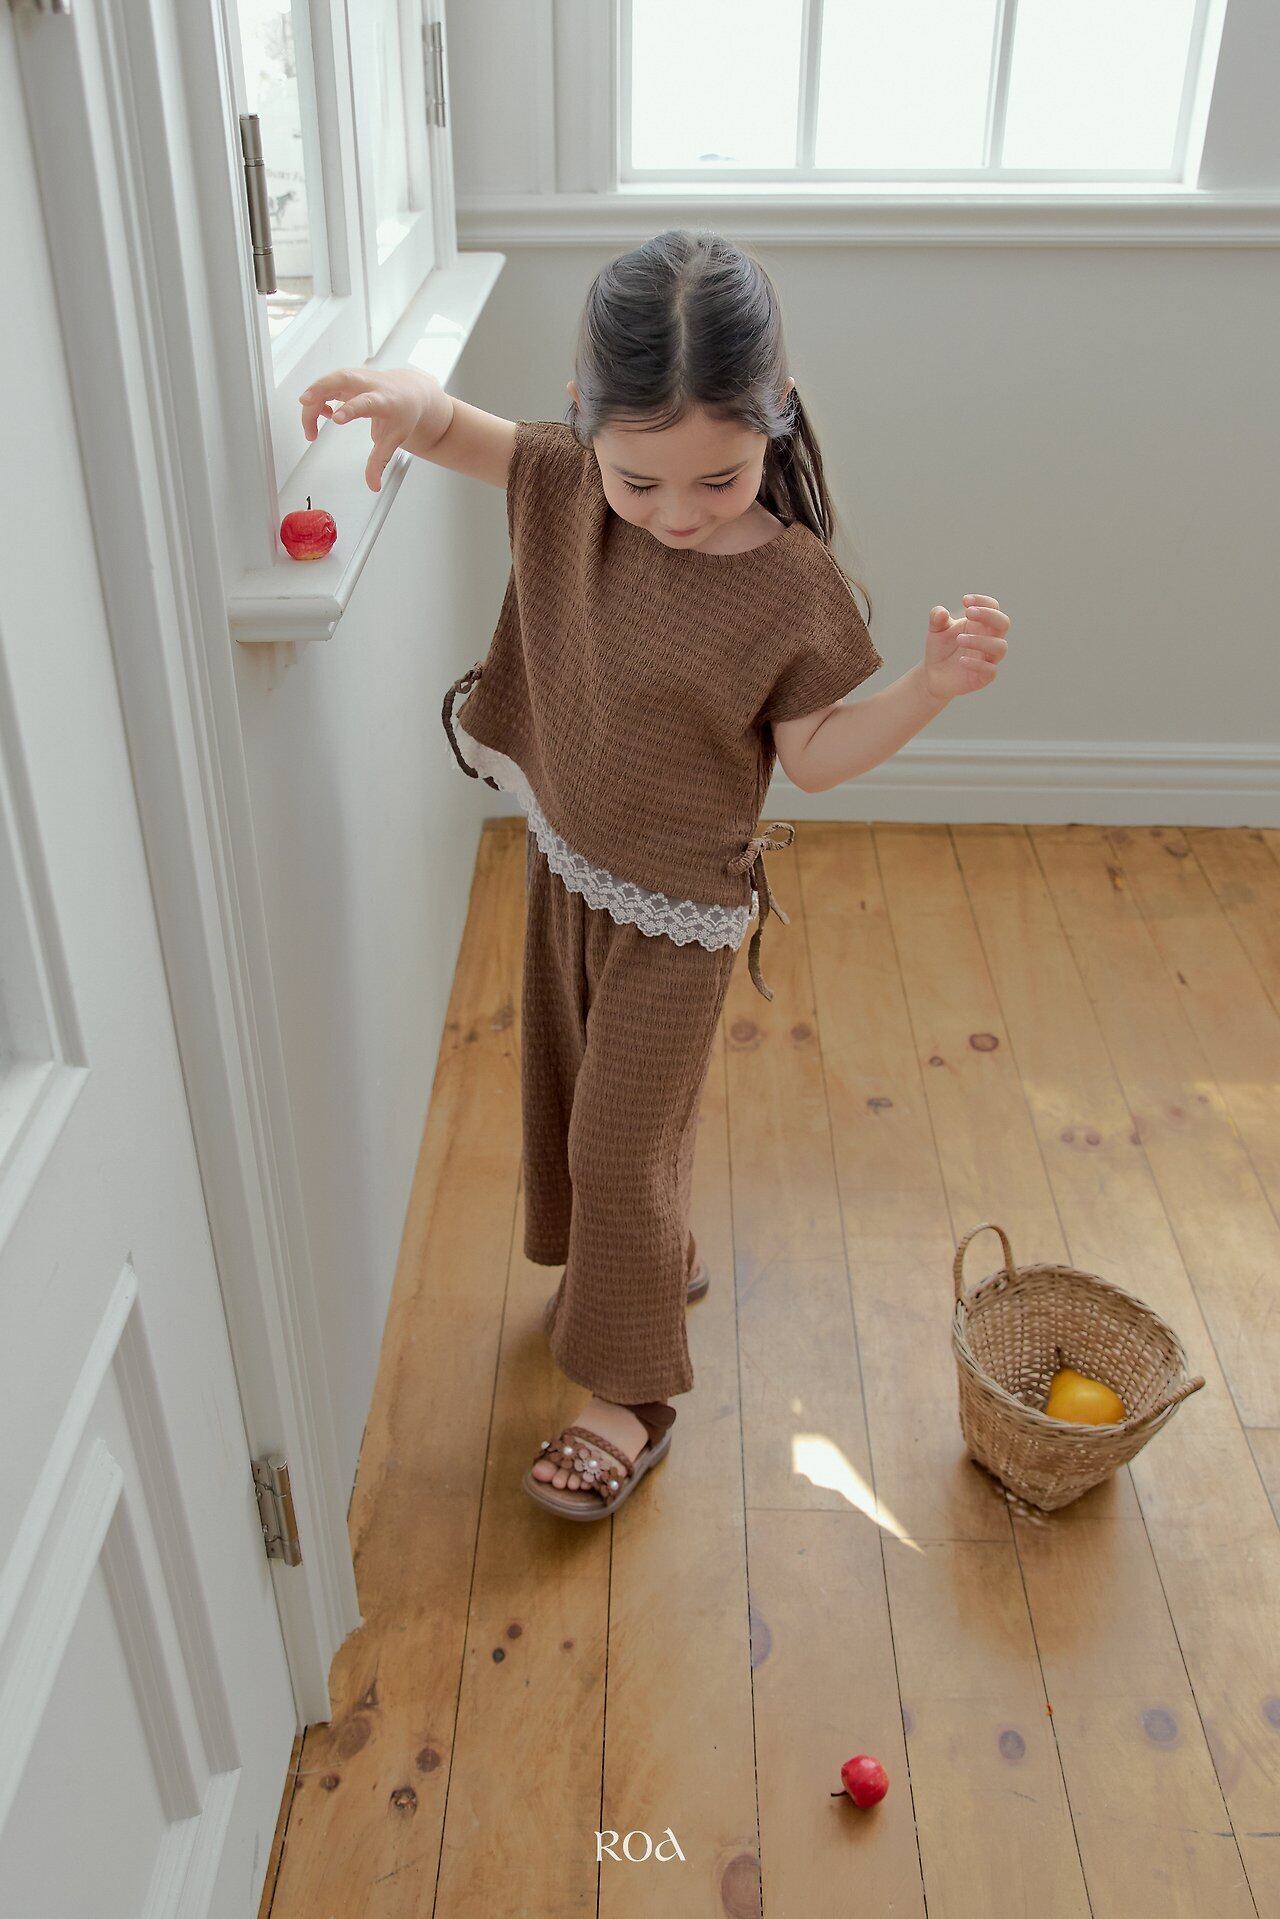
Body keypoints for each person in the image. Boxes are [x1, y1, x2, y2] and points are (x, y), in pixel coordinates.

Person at [299, 227, 1010, 1524]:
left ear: (774, 415)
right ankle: (651, 1260)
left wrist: (928, 687)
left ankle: (629, 1395)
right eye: (642, 483)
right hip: (568, 862)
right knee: (570, 1096)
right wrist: (403, 400)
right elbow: (462, 434)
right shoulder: (568, 477)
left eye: (721, 479)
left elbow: (816, 759)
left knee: (620, 1141)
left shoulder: (792, 588)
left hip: (680, 914)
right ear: (587, 417)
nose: (679, 515)